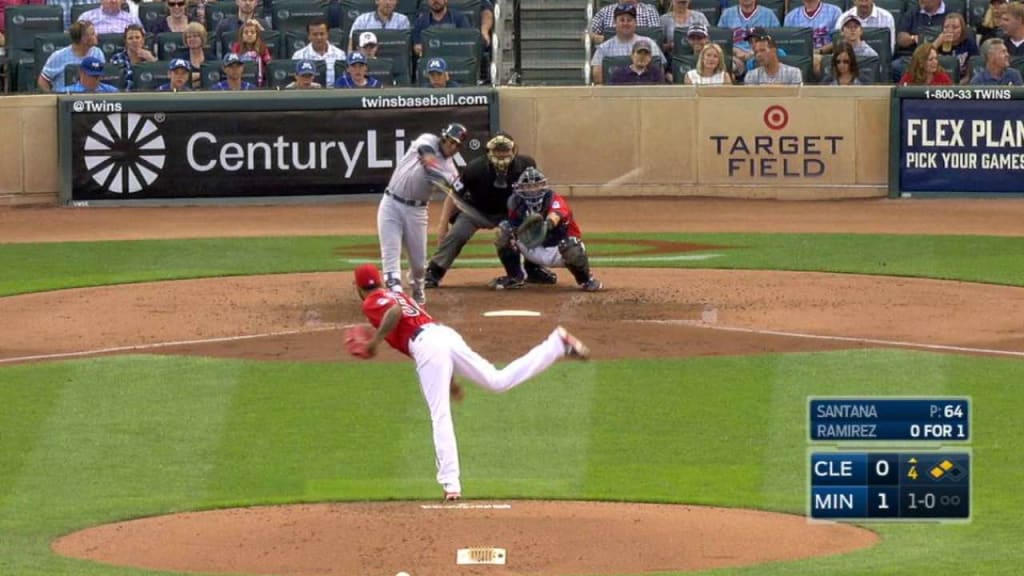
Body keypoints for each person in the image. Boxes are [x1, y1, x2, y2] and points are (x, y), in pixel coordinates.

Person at [349, 262, 590, 501]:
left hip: (428, 344)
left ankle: (451, 484)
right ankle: (557, 344)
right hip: (442, 335)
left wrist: (374, 342)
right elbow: (425, 337)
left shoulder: (372, 301)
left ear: (359, 289)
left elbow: (395, 313)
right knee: (497, 381)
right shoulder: (397, 293)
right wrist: (451, 380)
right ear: (379, 280)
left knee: (440, 415)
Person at [424, 132, 555, 289]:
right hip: (476, 211)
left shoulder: (526, 165)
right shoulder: (474, 168)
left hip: (510, 212)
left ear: (514, 150)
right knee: (457, 234)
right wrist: (442, 225)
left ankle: (531, 268)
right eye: (497, 150)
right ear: (489, 151)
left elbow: (537, 191)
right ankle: (434, 272)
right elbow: (453, 194)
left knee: (532, 226)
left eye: (505, 149)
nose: (501, 154)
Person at [378, 123, 467, 306]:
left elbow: (455, 191)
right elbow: (427, 156)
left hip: (416, 212)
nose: (451, 146)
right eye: (449, 141)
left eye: (456, 145)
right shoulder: (428, 139)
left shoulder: (451, 170)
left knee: (419, 267)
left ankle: (418, 290)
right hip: (391, 204)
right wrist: (441, 174)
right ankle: (395, 299)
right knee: (390, 258)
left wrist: (450, 182)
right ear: (443, 137)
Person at [490, 167, 603, 292]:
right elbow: (514, 226)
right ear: (520, 188)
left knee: (571, 246)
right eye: (528, 187)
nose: (533, 190)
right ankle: (516, 277)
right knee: (504, 232)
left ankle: (586, 280)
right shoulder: (515, 202)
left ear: (543, 186)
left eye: (536, 186)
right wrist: (518, 234)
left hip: (559, 249)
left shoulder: (554, 199)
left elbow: (556, 214)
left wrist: (547, 225)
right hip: (533, 248)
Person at [590, 4, 666, 85]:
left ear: (635, 22)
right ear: (615, 23)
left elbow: (660, 72)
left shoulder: (650, 43)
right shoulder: (603, 48)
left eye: (629, 20)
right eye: (622, 20)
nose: (625, 23)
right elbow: (598, 79)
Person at [38, 21, 104, 92]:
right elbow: (43, 80)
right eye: (93, 33)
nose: (96, 35)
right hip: (65, 97)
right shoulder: (58, 56)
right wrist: (52, 98)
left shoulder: (98, 53)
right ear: (84, 39)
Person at [718, 0, 780, 74]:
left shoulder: (769, 14)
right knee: (727, 64)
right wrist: (736, 51)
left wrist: (753, 52)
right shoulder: (727, 14)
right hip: (735, 56)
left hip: (760, 55)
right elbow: (721, 41)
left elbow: (774, 42)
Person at [784, 0, 841, 76]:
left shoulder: (834, 11)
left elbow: (838, 40)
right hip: (801, 57)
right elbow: (787, 43)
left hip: (826, 55)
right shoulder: (791, 16)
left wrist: (820, 51)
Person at [292, 17, 345, 86]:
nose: (319, 37)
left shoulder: (340, 54)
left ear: (327, 34)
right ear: (309, 36)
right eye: (315, 34)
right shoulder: (299, 55)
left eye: (322, 34)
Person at [588, 0, 660, 46]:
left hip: (642, 53)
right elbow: (588, 35)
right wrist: (605, 39)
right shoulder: (605, 11)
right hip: (611, 53)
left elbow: (656, 37)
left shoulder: (650, 11)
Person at [109, 23, 156, 91]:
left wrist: (152, 60)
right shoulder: (117, 58)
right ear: (126, 42)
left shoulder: (150, 57)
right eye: (130, 38)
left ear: (143, 40)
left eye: (137, 37)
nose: (134, 41)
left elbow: (158, 77)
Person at [933, 13, 977, 83]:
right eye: (946, 27)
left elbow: (970, 74)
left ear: (962, 29)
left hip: (961, 83)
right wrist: (937, 43)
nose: (950, 30)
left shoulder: (969, 43)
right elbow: (921, 59)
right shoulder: (938, 43)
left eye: (955, 27)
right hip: (939, 83)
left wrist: (957, 87)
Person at [231, 18, 272, 86]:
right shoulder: (236, 47)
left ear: (257, 35)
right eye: (246, 32)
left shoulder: (262, 47)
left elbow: (269, 63)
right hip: (241, 80)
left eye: (252, 32)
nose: (249, 35)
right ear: (242, 35)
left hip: (260, 80)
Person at [174, 21, 215, 88]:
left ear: (202, 38)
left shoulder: (211, 58)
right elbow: (179, 78)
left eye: (195, 36)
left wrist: (193, 76)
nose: (192, 39)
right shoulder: (180, 59)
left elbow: (213, 76)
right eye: (189, 37)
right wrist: (202, 76)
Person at [76, 0, 143, 35]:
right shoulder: (86, 17)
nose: (113, 1)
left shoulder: (132, 19)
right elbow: (77, 40)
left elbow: (142, 39)